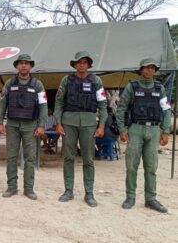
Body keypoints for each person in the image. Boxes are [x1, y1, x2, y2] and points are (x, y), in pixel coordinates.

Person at [116, 58, 171, 213]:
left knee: (151, 166)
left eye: (152, 68)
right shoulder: (131, 87)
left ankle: (151, 199)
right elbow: (121, 108)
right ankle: (130, 196)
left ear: (155, 70)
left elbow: (166, 110)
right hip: (136, 129)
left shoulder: (160, 88)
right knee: (131, 165)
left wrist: (165, 131)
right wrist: (121, 129)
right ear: (141, 70)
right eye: (146, 68)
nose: (149, 71)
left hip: (154, 131)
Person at [54, 51, 107, 207]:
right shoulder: (66, 80)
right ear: (75, 64)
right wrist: (58, 121)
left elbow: (103, 104)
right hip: (68, 122)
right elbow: (58, 103)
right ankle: (68, 190)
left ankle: (89, 193)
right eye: (79, 62)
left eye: (84, 62)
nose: (81, 64)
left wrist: (102, 124)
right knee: (68, 157)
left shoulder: (96, 81)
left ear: (89, 64)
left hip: (89, 123)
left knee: (88, 159)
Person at [0, 54, 47, 200]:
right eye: (21, 63)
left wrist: (41, 125)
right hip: (12, 124)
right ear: (17, 66)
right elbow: (3, 103)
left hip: (30, 125)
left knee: (30, 158)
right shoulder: (9, 83)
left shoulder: (38, 84)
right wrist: (0, 122)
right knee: (11, 157)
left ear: (30, 66)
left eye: (26, 63)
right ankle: (12, 187)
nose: (24, 65)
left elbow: (43, 106)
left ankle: (29, 188)